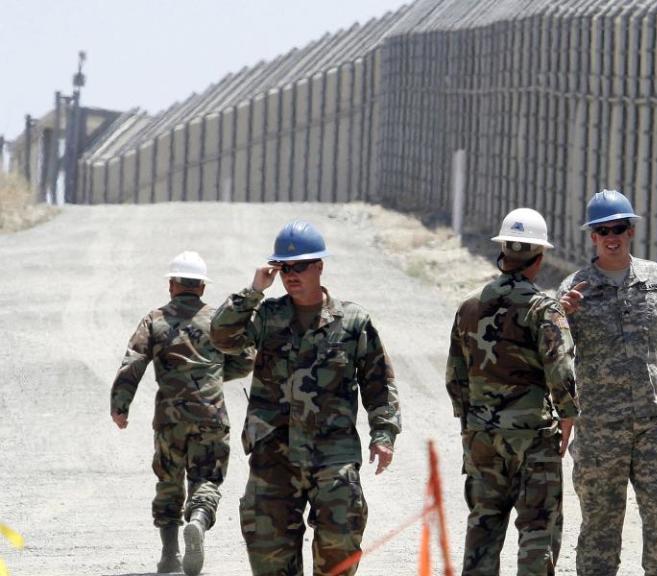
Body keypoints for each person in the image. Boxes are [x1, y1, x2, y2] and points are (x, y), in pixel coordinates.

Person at [210, 220, 401, 576]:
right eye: (284, 268)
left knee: (339, 550)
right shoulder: (268, 317)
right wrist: (254, 290)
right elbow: (221, 337)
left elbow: (379, 382)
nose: (290, 275)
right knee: (269, 557)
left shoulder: (353, 322)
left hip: (333, 455)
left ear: (319, 267)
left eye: (299, 267)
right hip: (274, 454)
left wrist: (384, 434)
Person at [557, 189, 657, 576]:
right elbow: (556, 359)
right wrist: (559, 318)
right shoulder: (575, 289)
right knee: (600, 530)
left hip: (654, 426)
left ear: (631, 231)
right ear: (592, 237)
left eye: (618, 228)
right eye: (602, 230)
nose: (611, 236)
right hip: (600, 430)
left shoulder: (656, 279)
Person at [446, 207, 579, 575]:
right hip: (533, 436)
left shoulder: (470, 305)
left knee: (484, 525)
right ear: (539, 257)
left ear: (503, 250)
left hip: (483, 436)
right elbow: (561, 369)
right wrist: (568, 416)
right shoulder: (544, 308)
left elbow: (455, 377)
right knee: (537, 529)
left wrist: (471, 424)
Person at [109, 250, 255, 575]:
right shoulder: (219, 320)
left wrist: (120, 404)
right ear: (202, 287)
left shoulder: (155, 319)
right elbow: (247, 359)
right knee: (207, 477)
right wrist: (213, 373)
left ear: (172, 285)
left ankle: (169, 554)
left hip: (169, 417)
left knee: (168, 480)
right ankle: (199, 522)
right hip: (211, 414)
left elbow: (134, 361)